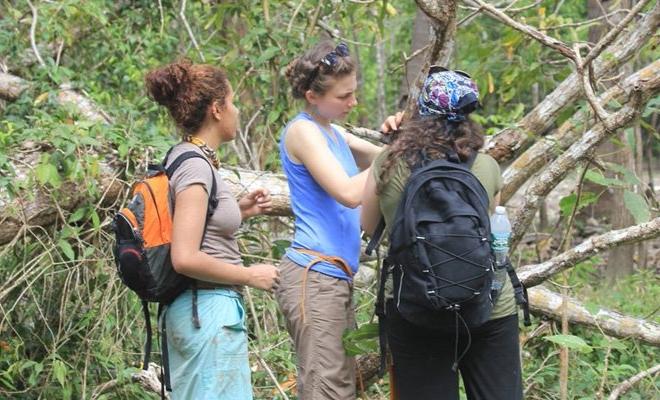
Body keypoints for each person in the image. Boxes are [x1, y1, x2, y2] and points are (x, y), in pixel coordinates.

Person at [361, 67, 523, 400]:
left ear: (419, 110)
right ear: (468, 116)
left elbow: (367, 226)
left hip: (414, 306)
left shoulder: (389, 163)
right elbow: (492, 233)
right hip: (488, 305)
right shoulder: (486, 166)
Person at [144, 60, 280, 399]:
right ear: (217, 109)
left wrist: (240, 211)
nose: (237, 109)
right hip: (204, 311)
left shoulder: (183, 157)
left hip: (195, 311)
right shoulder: (195, 167)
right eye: (233, 101)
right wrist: (248, 275)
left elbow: (196, 227)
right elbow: (185, 257)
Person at [275, 41, 389, 399]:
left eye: (353, 93)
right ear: (312, 95)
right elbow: (349, 192)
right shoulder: (303, 131)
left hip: (334, 276)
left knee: (339, 384)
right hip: (314, 275)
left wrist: (408, 138)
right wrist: (390, 159)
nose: (352, 103)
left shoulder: (332, 132)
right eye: (344, 96)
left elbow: (386, 155)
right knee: (328, 389)